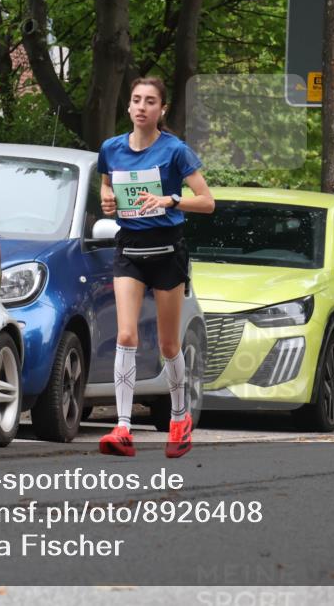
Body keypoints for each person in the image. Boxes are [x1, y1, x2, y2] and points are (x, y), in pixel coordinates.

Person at [97, 76, 214, 458]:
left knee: (167, 343)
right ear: (128, 107)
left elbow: (207, 201)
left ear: (161, 109)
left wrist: (169, 200)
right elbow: (106, 186)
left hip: (167, 250)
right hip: (129, 249)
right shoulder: (111, 149)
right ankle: (123, 427)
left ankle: (180, 418)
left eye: (150, 101)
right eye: (136, 100)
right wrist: (108, 201)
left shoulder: (175, 151)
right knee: (126, 334)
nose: (142, 107)